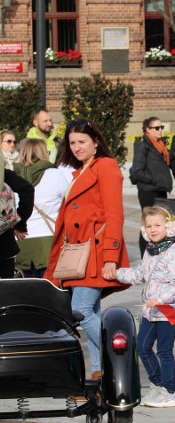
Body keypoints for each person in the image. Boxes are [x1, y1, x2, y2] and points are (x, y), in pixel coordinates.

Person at [44, 119, 131, 379]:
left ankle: (121, 354)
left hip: (94, 252)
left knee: (79, 310)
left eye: (82, 142)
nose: (77, 147)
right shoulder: (79, 171)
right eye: (72, 143)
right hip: (78, 254)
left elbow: (115, 215)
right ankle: (98, 373)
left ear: (96, 142)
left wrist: (110, 257)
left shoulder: (105, 166)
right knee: (89, 312)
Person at [115, 205, 175, 408]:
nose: (153, 229)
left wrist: (160, 298)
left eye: (158, 225)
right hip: (151, 311)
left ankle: (169, 392)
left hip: (169, 310)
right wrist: (115, 274)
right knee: (142, 347)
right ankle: (157, 384)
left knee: (164, 351)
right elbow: (140, 274)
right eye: (149, 226)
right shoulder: (150, 251)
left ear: (169, 227)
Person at [13, 138, 70, 277]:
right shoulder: (55, 175)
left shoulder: (12, 177)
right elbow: (69, 201)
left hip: (20, 239)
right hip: (49, 238)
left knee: (25, 292)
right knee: (50, 289)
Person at [130, 117, 174, 254]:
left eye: (162, 127)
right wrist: (155, 179)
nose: (160, 130)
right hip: (148, 191)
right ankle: (145, 255)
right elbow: (137, 171)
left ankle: (157, 253)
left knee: (159, 223)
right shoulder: (143, 146)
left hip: (160, 190)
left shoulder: (159, 145)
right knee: (148, 224)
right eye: (157, 128)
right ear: (148, 130)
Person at [1, 168, 34, 279]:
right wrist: (19, 222)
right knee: (5, 292)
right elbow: (27, 189)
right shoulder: (2, 172)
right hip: (4, 243)